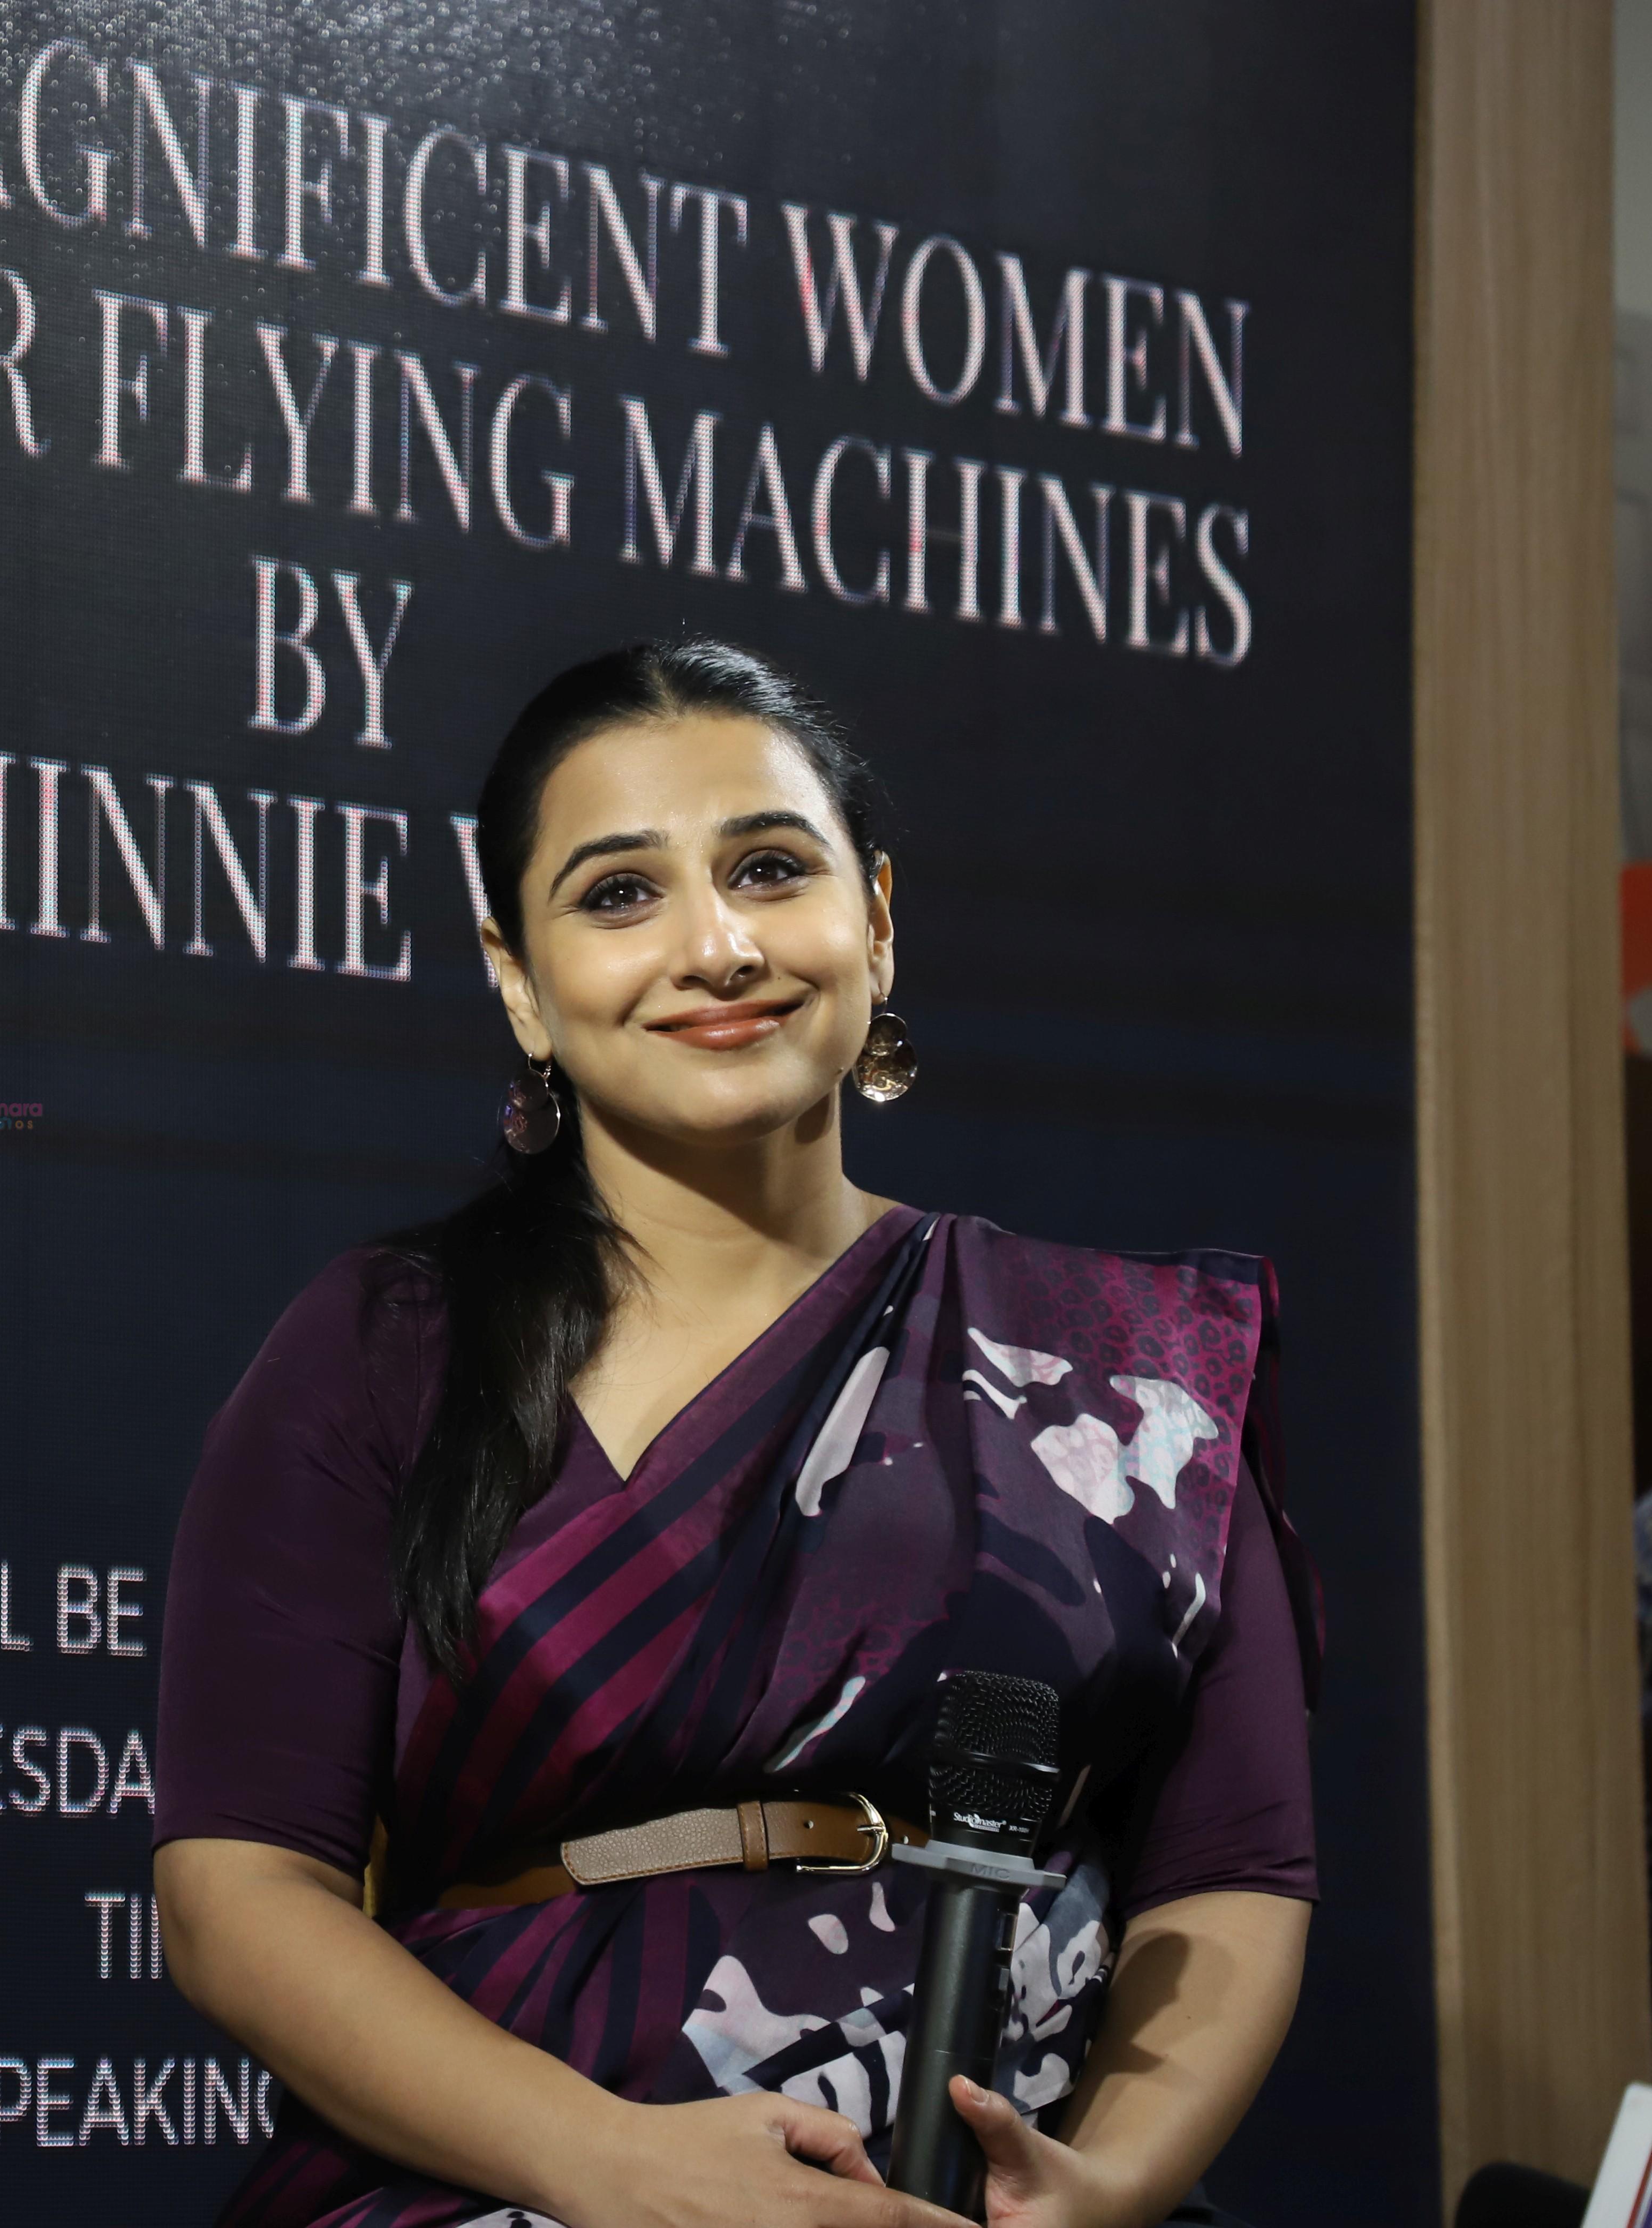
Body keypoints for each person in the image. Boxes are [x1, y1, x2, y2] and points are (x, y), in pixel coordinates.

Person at [152, 641, 1316, 2228]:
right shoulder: (383, 1348)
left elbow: (1230, 1870)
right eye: (619, 894)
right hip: (514, 2185)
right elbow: (237, 1898)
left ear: (877, 921)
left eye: (770, 870)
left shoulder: (1129, 1373)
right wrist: (613, 2169)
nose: (715, 945)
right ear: (517, 978)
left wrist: (1097, 2188)